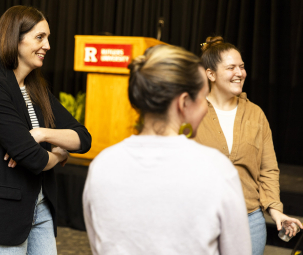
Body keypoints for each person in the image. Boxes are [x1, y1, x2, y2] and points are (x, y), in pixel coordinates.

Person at [83, 45, 252, 255]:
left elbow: (98, 246)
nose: (205, 108)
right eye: (203, 98)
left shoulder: (102, 165)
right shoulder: (217, 170)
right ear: (183, 103)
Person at [0, 5, 91, 255]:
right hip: (0, 216)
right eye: (40, 37)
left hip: (40, 208)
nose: (48, 46)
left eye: (48, 38)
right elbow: (34, 158)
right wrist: (61, 154)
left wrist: (42, 134)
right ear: (14, 39)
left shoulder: (37, 88)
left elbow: (83, 138)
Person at [195, 36, 303, 255]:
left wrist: (275, 210)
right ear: (211, 74)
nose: (239, 73)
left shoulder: (256, 114)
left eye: (242, 67)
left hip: (250, 222)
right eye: (231, 67)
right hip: (200, 220)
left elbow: (268, 169)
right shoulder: (192, 113)